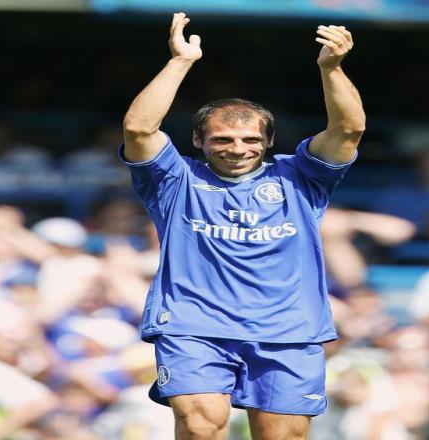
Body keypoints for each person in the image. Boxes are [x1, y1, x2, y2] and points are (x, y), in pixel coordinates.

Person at [120, 12, 365, 440]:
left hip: (288, 329)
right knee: (200, 426)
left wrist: (332, 68)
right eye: (222, 139)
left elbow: (349, 128)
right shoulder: (174, 179)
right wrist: (180, 61)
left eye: (251, 140)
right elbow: (139, 128)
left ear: (268, 142)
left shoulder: (302, 177)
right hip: (193, 325)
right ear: (198, 140)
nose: (238, 149)